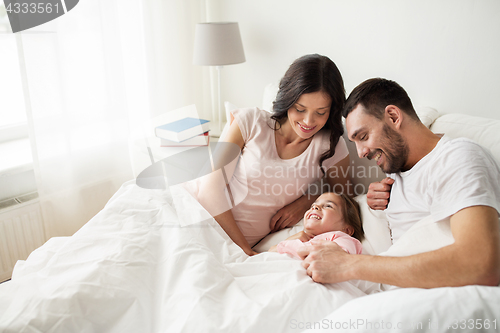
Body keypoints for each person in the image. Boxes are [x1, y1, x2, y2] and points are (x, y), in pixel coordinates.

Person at [299, 78, 500, 288]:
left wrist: (348, 264)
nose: (361, 153)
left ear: (394, 117)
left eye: (364, 136)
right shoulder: (395, 175)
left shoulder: (456, 158)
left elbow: (481, 265)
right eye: (355, 142)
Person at [199, 54, 352, 256]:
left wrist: (306, 202)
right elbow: (209, 190)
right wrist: (245, 250)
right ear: (288, 99)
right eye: (300, 109)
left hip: (232, 248)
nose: (308, 121)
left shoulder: (330, 146)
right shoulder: (250, 122)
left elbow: (345, 199)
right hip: (199, 218)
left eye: (321, 112)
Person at [268, 192, 363, 259]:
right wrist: (290, 240)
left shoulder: (342, 239)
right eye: (312, 205)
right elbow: (268, 256)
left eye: (328, 206)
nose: (315, 207)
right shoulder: (298, 239)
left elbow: (342, 259)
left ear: (346, 230)